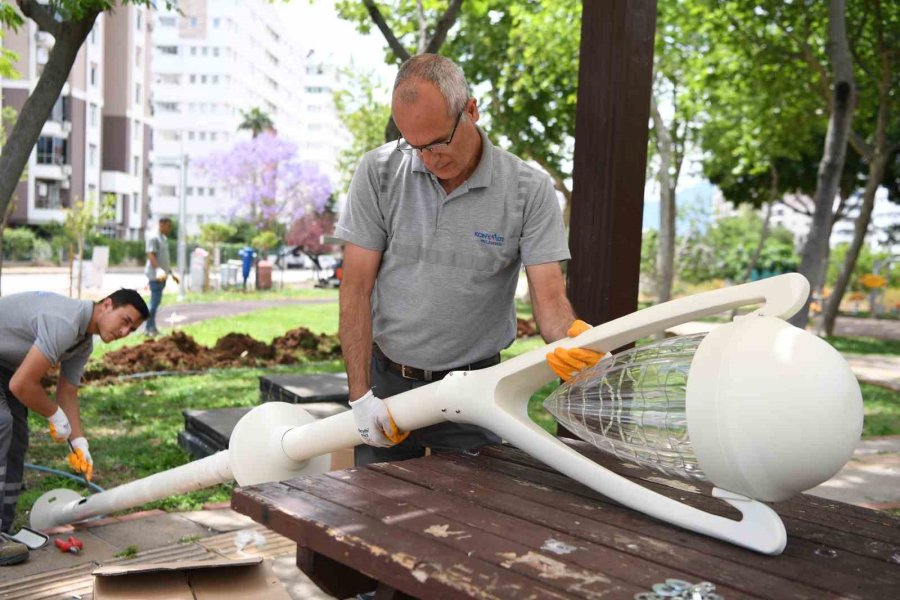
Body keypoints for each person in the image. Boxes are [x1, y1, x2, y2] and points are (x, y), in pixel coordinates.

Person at [335, 54, 602, 468]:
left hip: (474, 390)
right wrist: (360, 397)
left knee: (476, 503)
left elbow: (550, 301)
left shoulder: (528, 190)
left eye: (438, 142)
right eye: (415, 146)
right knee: (375, 503)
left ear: (472, 110)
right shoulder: (379, 172)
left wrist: (572, 340)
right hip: (387, 384)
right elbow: (355, 288)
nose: (429, 159)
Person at [0, 289, 148, 566]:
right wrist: (54, 415)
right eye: (125, 320)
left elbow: (67, 393)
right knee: (2, 423)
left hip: (5, 367)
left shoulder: (83, 342)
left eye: (132, 329)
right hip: (8, 371)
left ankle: (3, 528)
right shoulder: (65, 321)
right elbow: (22, 385)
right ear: (107, 305)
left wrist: (80, 443)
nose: (124, 332)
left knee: (17, 439)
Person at [144, 218, 179, 335]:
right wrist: (158, 270)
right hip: (156, 276)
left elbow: (164, 259)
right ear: (161, 224)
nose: (170, 229)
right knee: (154, 303)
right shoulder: (154, 237)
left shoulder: (163, 238)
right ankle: (149, 328)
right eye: (169, 226)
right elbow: (151, 255)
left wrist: (171, 274)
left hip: (163, 276)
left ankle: (151, 327)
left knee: (156, 302)